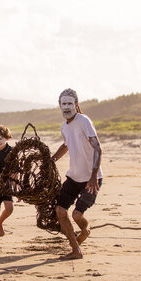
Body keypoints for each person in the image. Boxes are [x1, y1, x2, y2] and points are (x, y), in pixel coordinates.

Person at [52, 88, 103, 260]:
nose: (66, 107)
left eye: (69, 103)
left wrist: (94, 175)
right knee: (60, 210)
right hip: (73, 177)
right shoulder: (64, 126)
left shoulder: (84, 121)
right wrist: (51, 160)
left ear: (76, 105)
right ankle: (76, 250)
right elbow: (66, 145)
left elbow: (98, 148)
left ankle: (84, 229)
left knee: (77, 215)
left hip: (91, 179)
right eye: (63, 104)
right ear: (59, 105)